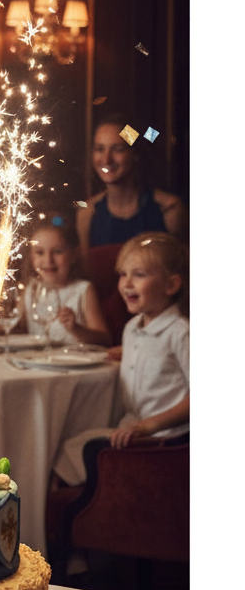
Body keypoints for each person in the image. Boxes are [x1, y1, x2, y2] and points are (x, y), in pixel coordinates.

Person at [52, 231, 188, 486]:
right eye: (123, 274)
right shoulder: (133, 328)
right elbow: (155, 355)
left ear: (171, 285)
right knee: (65, 446)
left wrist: (148, 426)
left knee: (83, 450)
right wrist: (125, 351)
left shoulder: (181, 332)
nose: (126, 283)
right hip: (132, 427)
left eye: (139, 275)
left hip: (164, 437)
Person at [76, 113, 187, 252]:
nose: (106, 160)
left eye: (118, 149)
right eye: (99, 149)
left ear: (135, 154)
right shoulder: (87, 214)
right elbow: (88, 272)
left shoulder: (169, 210)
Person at [21, 213, 111, 348]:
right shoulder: (31, 289)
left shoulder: (83, 290)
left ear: (74, 255)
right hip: (38, 363)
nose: (48, 260)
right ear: (31, 256)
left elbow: (104, 339)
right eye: (40, 252)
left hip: (75, 363)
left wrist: (76, 328)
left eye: (57, 252)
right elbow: (18, 328)